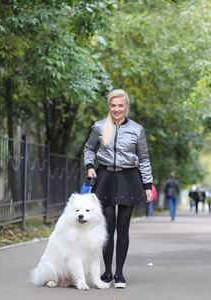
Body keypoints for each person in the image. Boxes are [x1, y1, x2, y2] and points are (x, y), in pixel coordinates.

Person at [84, 89, 153, 289]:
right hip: (105, 178)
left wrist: (147, 185)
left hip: (129, 178)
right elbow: (89, 149)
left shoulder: (137, 130)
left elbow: (144, 159)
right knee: (107, 227)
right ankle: (106, 272)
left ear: (126, 107)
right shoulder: (99, 127)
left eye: (120, 105)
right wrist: (90, 167)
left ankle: (120, 273)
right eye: (113, 105)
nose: (116, 109)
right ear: (109, 106)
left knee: (123, 228)